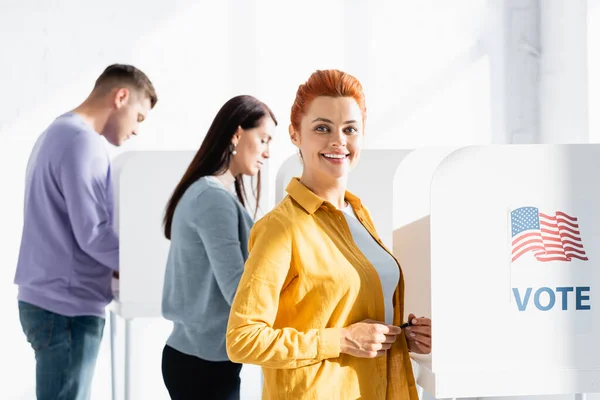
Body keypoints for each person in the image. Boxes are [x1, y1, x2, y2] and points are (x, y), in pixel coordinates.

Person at [226, 70, 432, 399]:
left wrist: (401, 336)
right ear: (295, 134)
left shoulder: (358, 214)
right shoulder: (281, 228)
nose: (338, 141)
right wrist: (342, 339)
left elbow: (346, 316)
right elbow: (242, 339)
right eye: (322, 128)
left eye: (350, 129)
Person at [14, 64, 157, 400]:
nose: (136, 131)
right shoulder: (82, 142)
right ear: (121, 97)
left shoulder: (58, 132)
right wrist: (150, 269)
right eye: (139, 117)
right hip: (66, 309)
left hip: (50, 302)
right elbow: (93, 232)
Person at [161, 95, 277, 400]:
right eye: (263, 139)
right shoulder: (213, 197)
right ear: (237, 134)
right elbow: (237, 289)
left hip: (200, 359)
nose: (267, 151)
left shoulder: (210, 191)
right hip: (202, 365)